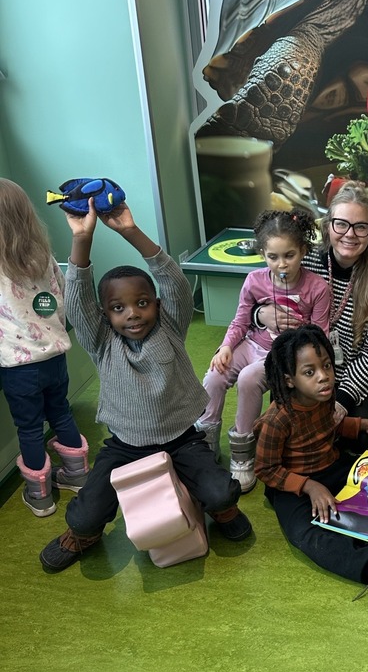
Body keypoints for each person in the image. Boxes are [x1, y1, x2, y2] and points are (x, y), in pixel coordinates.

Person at [39, 201, 251, 573]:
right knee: (86, 515)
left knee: (220, 492)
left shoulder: (170, 325)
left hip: (183, 437)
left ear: (156, 304)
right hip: (124, 445)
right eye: (118, 308)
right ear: (104, 315)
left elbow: (175, 282)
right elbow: (77, 300)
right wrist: (82, 238)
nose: (132, 313)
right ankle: (84, 536)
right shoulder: (101, 340)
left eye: (141, 303)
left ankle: (221, 510)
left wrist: (129, 231)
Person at [254, 325, 368, 618]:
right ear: (289, 380)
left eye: (327, 366)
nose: (324, 376)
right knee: (306, 535)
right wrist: (308, 486)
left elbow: (327, 426)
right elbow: (265, 469)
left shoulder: (324, 397)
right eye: (310, 372)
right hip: (292, 486)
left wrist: (360, 424)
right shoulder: (277, 419)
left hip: (331, 467)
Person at [196, 208, 330, 492]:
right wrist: (225, 347)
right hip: (252, 345)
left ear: (303, 250)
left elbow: (319, 337)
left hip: (283, 359)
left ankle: (243, 454)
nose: (281, 264)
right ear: (262, 254)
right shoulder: (254, 280)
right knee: (214, 376)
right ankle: (204, 444)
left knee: (248, 379)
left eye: (289, 255)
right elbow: (241, 320)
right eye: (273, 257)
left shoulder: (317, 288)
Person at [0, 178, 89, 516]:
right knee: (60, 411)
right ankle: (77, 476)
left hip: (18, 367)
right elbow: (57, 299)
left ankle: (40, 495)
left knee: (29, 427)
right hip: (53, 356)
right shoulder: (41, 256)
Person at [298, 184, 368, 432]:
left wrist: (343, 399)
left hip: (355, 374)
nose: (350, 234)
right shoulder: (305, 262)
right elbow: (264, 295)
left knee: (367, 440)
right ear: (328, 226)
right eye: (341, 224)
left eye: (360, 227)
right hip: (307, 372)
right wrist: (260, 316)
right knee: (297, 430)